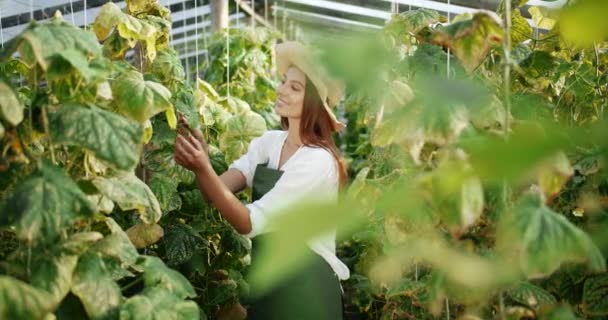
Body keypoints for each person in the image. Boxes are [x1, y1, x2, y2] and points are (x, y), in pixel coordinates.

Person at [174, 41, 349, 319]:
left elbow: (248, 222)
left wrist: (203, 167)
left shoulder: (318, 160)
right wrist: (201, 162)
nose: (281, 90)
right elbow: (213, 193)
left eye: (295, 87)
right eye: (283, 82)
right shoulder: (268, 143)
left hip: (306, 287)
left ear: (314, 102)